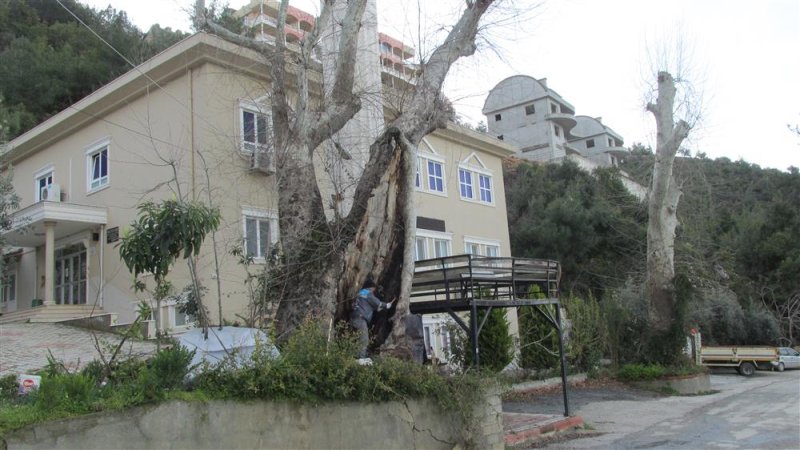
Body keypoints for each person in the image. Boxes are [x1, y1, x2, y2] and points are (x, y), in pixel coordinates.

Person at [350, 279, 394, 360]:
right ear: (371, 288)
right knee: (364, 339)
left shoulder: (360, 293)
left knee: (355, 338)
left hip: (353, 318)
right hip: (361, 319)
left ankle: (352, 356)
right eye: (374, 289)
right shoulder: (368, 293)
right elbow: (378, 303)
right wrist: (387, 305)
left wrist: (380, 307)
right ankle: (361, 358)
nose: (374, 291)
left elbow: (371, 306)